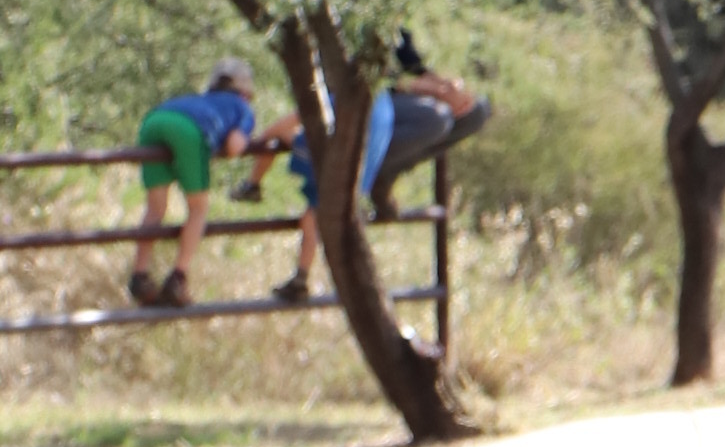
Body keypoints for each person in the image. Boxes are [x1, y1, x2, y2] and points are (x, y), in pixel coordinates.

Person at [239, 39, 490, 301]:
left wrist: (258, 150)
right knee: (319, 211)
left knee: (316, 205)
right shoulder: (377, 104)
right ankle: (304, 275)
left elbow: (288, 124)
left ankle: (257, 192)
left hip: (337, 157)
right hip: (356, 167)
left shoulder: (348, 98)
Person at [128, 60, 267, 307]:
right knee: (198, 208)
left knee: (155, 208)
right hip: (190, 131)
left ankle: (140, 275)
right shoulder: (242, 108)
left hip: (155, 120)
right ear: (246, 91)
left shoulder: (199, 99)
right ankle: (178, 278)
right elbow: (235, 146)